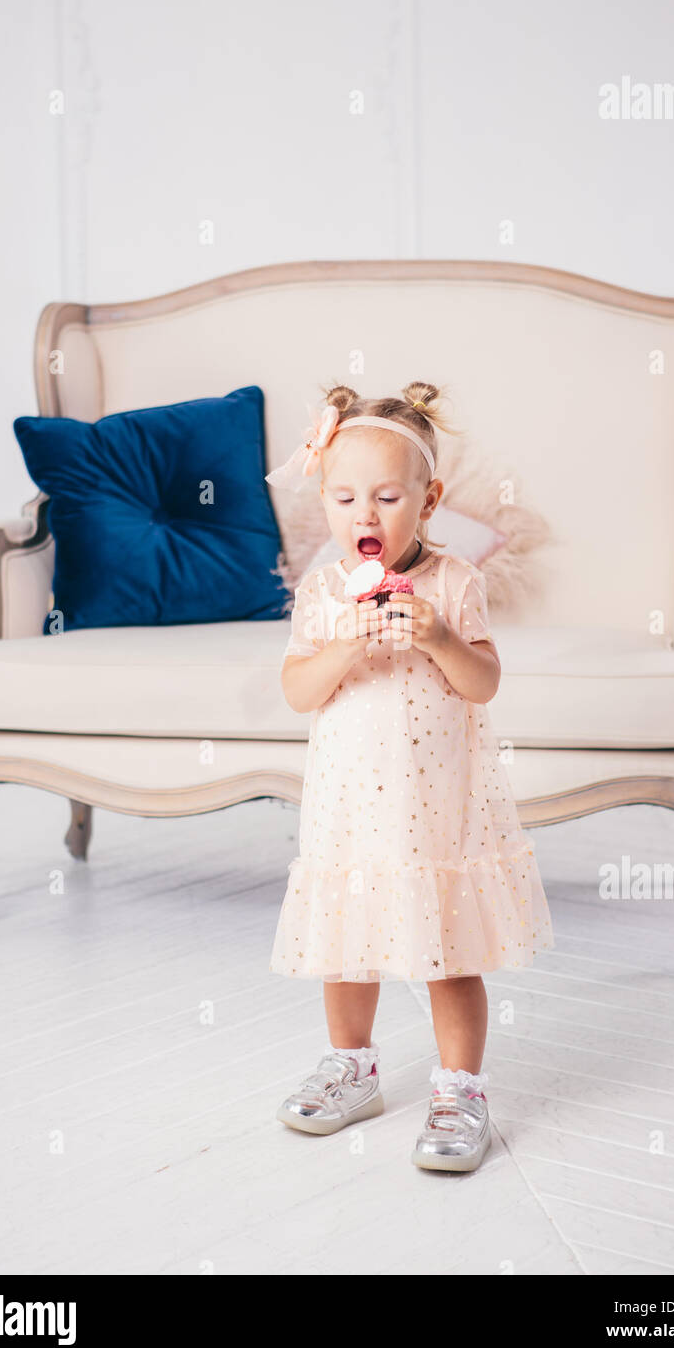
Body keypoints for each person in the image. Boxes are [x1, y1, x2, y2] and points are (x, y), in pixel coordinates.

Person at [264, 381, 554, 1172]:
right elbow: (299, 690)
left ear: (427, 503)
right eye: (346, 497)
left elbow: (483, 682)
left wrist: (436, 638)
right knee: (346, 949)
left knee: (448, 950)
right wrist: (346, 646)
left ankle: (461, 1086)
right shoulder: (324, 592)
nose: (365, 515)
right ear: (324, 502)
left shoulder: (454, 582)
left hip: (438, 811)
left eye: (388, 497)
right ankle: (351, 1065)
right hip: (351, 810)